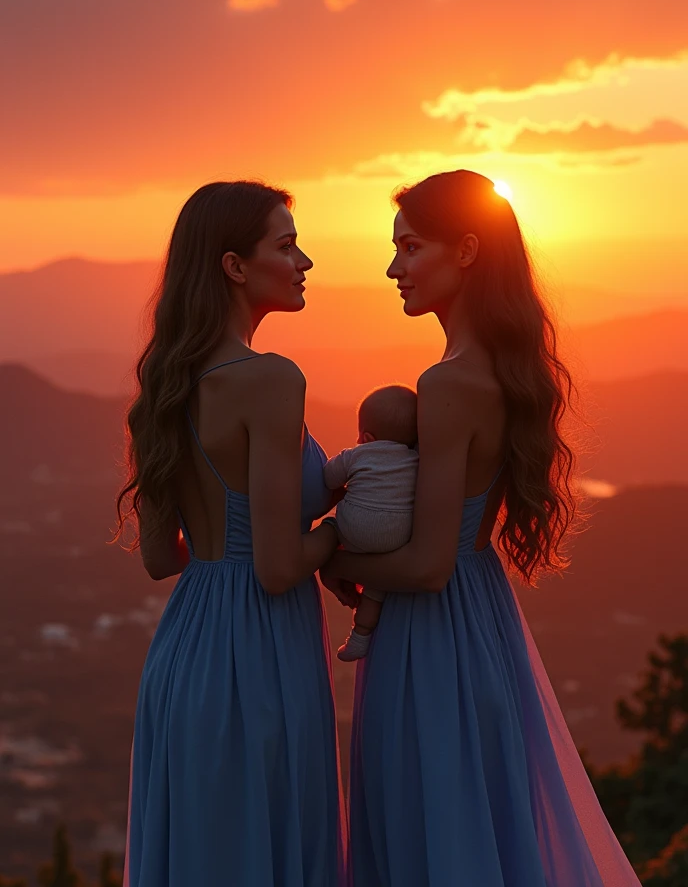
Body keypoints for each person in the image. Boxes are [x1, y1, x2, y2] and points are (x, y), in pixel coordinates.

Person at [320, 170, 641, 886]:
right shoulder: (495, 368)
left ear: (465, 251)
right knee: (478, 831)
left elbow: (431, 563)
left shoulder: (449, 382)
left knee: (429, 835)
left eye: (410, 247)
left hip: (430, 641)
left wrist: (331, 556)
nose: (393, 267)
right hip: (481, 624)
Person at [116, 181, 348, 887]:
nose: (304, 260)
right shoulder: (270, 378)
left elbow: (162, 558)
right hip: (262, 656)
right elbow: (279, 568)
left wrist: (226, 544)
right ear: (234, 266)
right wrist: (342, 532)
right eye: (286, 245)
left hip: (185, 657)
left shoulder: (165, 383)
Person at [323, 385, 418, 661]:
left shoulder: (357, 454)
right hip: (398, 536)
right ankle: (360, 635)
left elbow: (329, 478)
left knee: (334, 527)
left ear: (366, 436)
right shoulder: (417, 459)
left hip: (355, 530)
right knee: (379, 585)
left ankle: (346, 581)